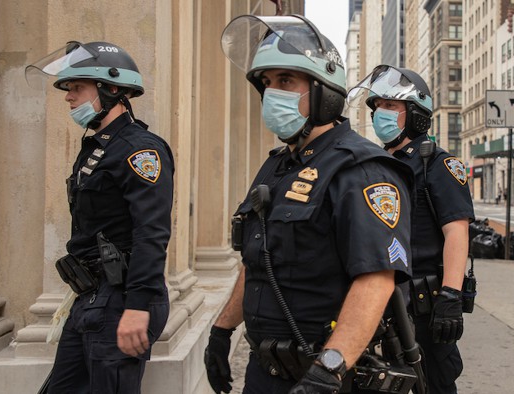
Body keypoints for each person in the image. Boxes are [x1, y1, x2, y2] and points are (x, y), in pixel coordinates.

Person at [203, 15, 414, 394]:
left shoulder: (361, 169)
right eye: (267, 84)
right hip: (265, 371)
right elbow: (259, 259)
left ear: (324, 92)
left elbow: (376, 280)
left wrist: (327, 372)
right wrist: (222, 329)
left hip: (325, 376)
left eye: (286, 81)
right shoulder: (277, 165)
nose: (271, 94)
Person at [25, 41, 174, 393]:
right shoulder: (98, 146)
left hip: (120, 298)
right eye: (67, 88)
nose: (67, 96)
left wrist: (138, 307)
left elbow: (151, 233)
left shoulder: (140, 149)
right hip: (91, 296)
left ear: (111, 89)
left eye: (76, 87)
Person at [347, 65, 475, 394]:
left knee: (432, 384)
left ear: (416, 115)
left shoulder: (438, 165)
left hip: (424, 310)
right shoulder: (374, 164)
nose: (380, 113)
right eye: (377, 106)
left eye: (390, 106)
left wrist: (450, 296)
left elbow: (457, 233)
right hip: (376, 308)